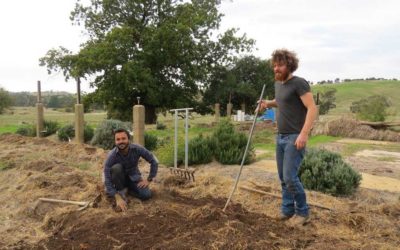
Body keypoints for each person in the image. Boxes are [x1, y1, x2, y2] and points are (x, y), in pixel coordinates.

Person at [259, 49, 317, 226]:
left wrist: (304, 134)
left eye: (280, 65)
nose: (276, 68)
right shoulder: (278, 85)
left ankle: (302, 212)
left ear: (289, 66)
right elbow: (281, 100)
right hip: (280, 137)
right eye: (275, 65)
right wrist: (268, 103)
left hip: (294, 137)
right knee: (283, 178)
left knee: (291, 178)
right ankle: (287, 210)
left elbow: (313, 108)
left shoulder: (299, 83)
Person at [103, 128, 158, 212]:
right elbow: (107, 177)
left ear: (128, 139)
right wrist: (116, 196)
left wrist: (149, 179)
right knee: (116, 168)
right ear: (115, 142)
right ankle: (121, 191)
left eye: (123, 138)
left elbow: (154, 161)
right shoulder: (112, 155)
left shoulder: (137, 149)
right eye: (118, 139)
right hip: (119, 181)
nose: (121, 141)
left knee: (146, 195)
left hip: (134, 177)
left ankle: (128, 190)